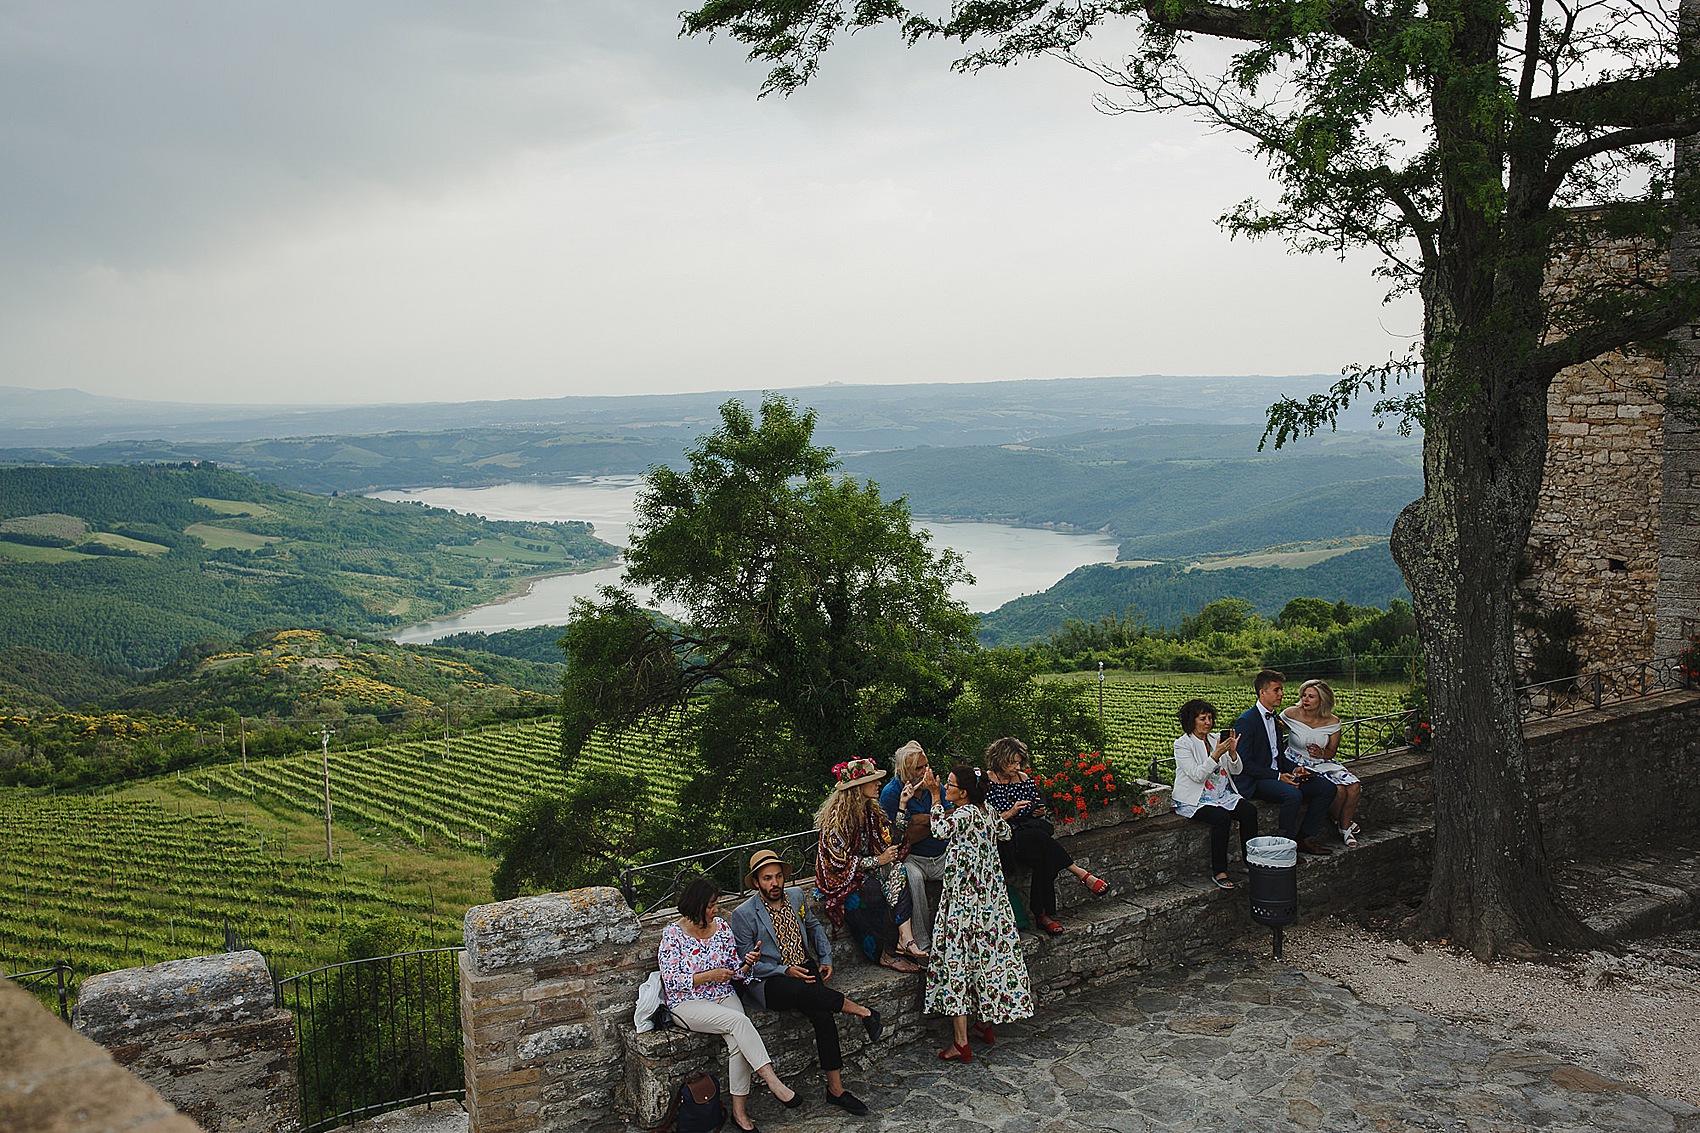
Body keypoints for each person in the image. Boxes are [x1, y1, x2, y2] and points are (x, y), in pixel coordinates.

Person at [729, 849, 883, 1116]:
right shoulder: (743, 914)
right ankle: (864, 1012)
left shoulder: (797, 896)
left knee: (823, 1015)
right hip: (770, 978)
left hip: (805, 965)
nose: (774, 883)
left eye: (777, 877)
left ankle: (836, 1090)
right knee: (804, 991)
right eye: (767, 878)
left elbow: (813, 926)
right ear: (756, 882)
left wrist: (825, 957)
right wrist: (784, 969)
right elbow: (746, 960)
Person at [657, 876, 803, 1132]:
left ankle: (740, 1113)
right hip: (687, 1002)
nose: (716, 910)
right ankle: (772, 1081)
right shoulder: (673, 935)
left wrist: (748, 962)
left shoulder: (722, 927)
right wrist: (708, 976)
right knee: (739, 1021)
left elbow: (736, 972)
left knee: (737, 1042)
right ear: (697, 905)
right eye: (712, 905)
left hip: (722, 993)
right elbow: (671, 981)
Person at [926, 763, 1035, 1063]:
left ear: (962, 793)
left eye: (949, 785)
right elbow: (1005, 832)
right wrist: (1004, 815)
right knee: (986, 961)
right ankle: (983, 1025)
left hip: (964, 904)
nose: (945, 787)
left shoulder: (961, 815)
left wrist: (934, 797)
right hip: (990, 903)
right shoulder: (985, 810)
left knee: (957, 964)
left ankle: (960, 1042)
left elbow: (938, 830)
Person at [982, 736, 1109, 935]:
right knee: (1041, 842)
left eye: (1018, 762)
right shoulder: (986, 782)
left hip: (1028, 834)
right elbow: (985, 820)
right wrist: (1010, 813)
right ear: (999, 760)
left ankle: (1042, 915)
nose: (1016, 767)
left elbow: (1036, 804)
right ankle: (1079, 875)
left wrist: (1038, 811)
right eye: (1012, 763)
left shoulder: (1024, 779)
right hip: (1003, 837)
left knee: (1042, 855)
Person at [814, 757, 928, 970]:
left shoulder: (870, 811)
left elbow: (892, 841)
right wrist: (879, 860)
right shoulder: (836, 820)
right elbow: (838, 864)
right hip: (841, 877)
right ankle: (884, 953)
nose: (878, 784)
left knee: (898, 872)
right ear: (857, 787)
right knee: (872, 893)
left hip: (868, 871)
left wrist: (902, 806)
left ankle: (906, 937)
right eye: (873, 781)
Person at [1231, 669, 1338, 856]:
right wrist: (1279, 776)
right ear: (1262, 693)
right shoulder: (1247, 721)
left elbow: (1277, 755)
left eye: (1281, 690)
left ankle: (1305, 837)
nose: (1282, 694)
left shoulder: (1275, 718)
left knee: (1326, 788)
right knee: (1292, 795)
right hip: (1256, 779)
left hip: (1276, 773)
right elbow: (1245, 763)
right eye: (1277, 690)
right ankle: (1285, 847)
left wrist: (1295, 768)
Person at [1172, 698, 1259, 888]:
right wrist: (1216, 755)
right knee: (1221, 819)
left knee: (1249, 812)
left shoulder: (1215, 739)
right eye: (1202, 718)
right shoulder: (1182, 745)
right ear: (1191, 721)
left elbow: (1236, 770)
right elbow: (1196, 775)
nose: (1208, 723)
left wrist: (1233, 753)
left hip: (1222, 794)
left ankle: (1250, 861)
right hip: (1196, 798)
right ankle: (1219, 871)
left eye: (1210, 718)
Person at [879, 740, 948, 954]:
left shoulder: (933, 786)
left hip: (940, 853)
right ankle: (922, 943)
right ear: (904, 770)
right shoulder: (892, 793)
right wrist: (934, 820)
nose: (925, 771)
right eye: (919, 767)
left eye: (926, 765)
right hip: (912, 857)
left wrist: (921, 820)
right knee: (913, 879)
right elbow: (904, 837)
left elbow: (949, 818)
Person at [1281, 678, 1364, 848]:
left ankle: (1343, 825)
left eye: (1311, 696)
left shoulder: (1333, 722)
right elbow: (1272, 729)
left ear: (1322, 700)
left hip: (1322, 761)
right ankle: (1345, 827)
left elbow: (1332, 752)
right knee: (1339, 790)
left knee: (1354, 786)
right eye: (1304, 695)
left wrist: (1321, 752)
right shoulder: (1290, 714)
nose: (1305, 699)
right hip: (1298, 761)